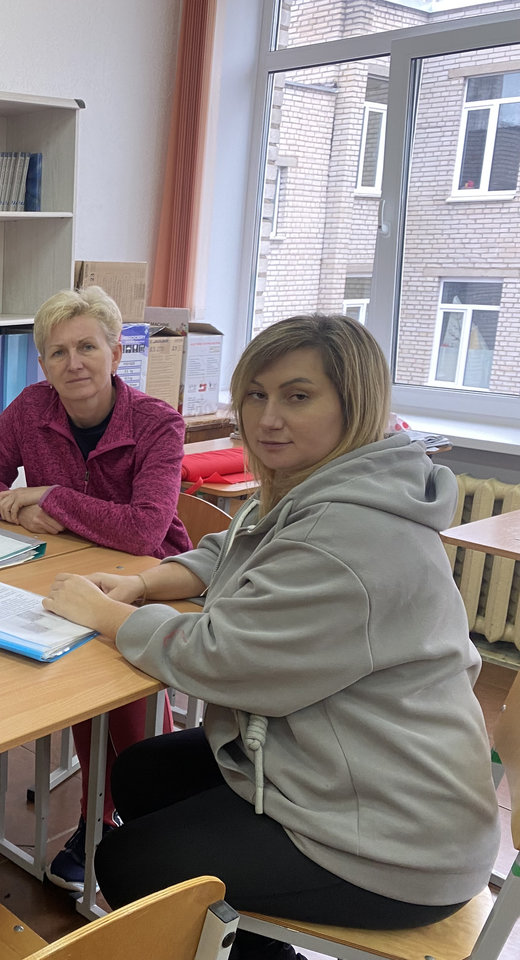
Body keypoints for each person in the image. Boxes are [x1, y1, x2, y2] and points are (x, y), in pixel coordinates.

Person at [44, 314, 499, 960]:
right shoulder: (332, 483)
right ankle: (240, 935)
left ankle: (244, 942)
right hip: (340, 762)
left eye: (298, 396)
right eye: (256, 395)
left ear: (355, 404)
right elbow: (236, 547)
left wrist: (105, 616)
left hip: (400, 839)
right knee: (142, 773)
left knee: (128, 865)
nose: (268, 418)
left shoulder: (348, 535)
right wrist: (143, 585)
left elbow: (221, 658)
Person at [0, 285, 189, 893]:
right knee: (44, 643)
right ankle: (107, 812)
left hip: (154, 576)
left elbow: (145, 528)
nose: (74, 363)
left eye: (87, 347)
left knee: (110, 664)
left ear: (116, 353)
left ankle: (121, 820)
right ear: (43, 364)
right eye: (58, 352)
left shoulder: (157, 423)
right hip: (66, 566)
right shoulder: (31, 409)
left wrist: (52, 496)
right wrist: (15, 508)